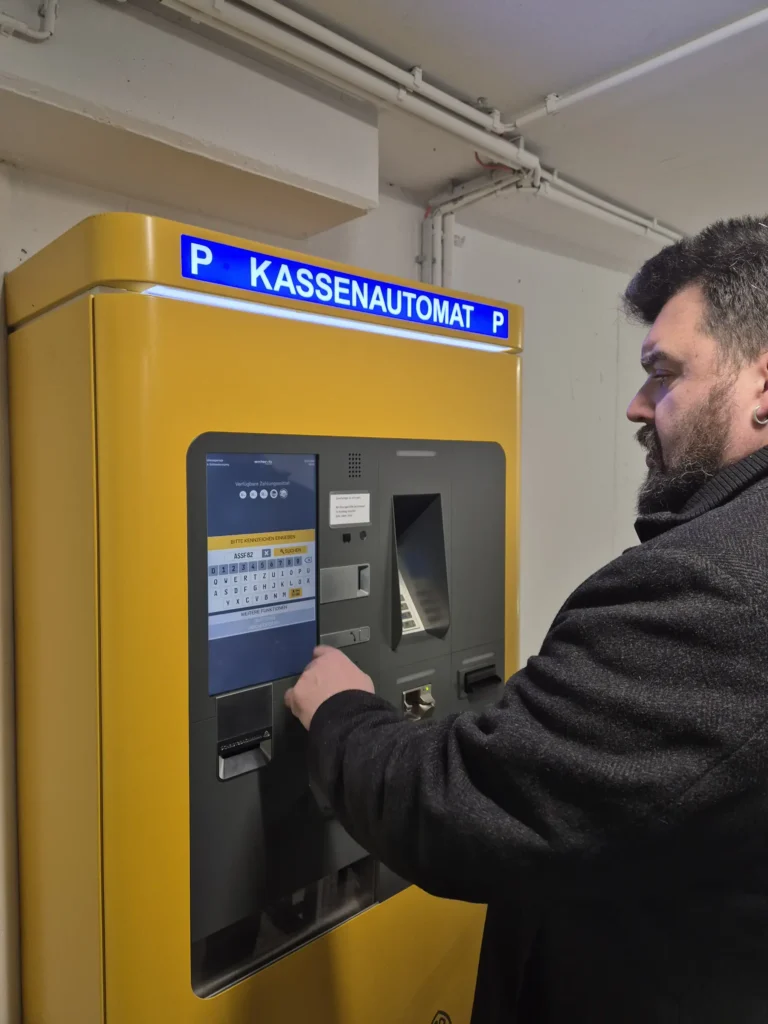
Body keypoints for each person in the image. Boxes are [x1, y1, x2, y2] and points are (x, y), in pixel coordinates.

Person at [285, 215, 768, 1023]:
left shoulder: (711, 583)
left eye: (662, 372)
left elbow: (459, 808)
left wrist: (338, 709)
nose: (636, 405)